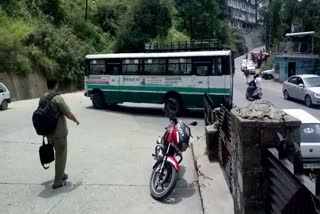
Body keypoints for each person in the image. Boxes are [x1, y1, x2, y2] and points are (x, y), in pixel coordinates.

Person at [41, 79, 80, 189]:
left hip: (49, 133)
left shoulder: (43, 97)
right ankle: (57, 182)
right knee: (61, 156)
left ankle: (61, 174)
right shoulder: (57, 98)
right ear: (56, 85)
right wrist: (75, 120)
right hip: (59, 134)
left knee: (58, 154)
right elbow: (68, 113)